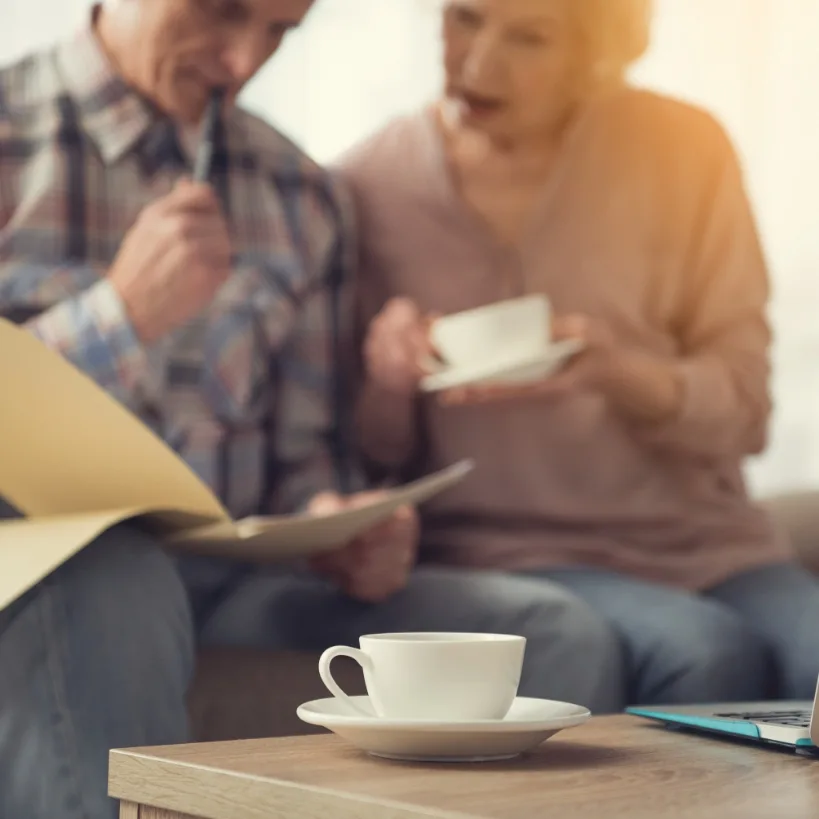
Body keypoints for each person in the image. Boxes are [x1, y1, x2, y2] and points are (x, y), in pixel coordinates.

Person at [0, 2, 625, 817]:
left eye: (279, 31)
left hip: (244, 575)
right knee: (120, 581)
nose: (240, 62)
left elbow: (309, 457)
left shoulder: (299, 193)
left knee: (557, 632)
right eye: (224, 11)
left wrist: (340, 519)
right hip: (49, 574)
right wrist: (117, 315)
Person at [341, 0, 819, 710]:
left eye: (529, 38)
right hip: (502, 556)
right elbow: (364, 462)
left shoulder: (683, 151)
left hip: (708, 547)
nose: (477, 64)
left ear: (595, 56)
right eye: (463, 17)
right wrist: (386, 383)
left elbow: (745, 412)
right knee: (706, 654)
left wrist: (621, 373)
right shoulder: (366, 184)